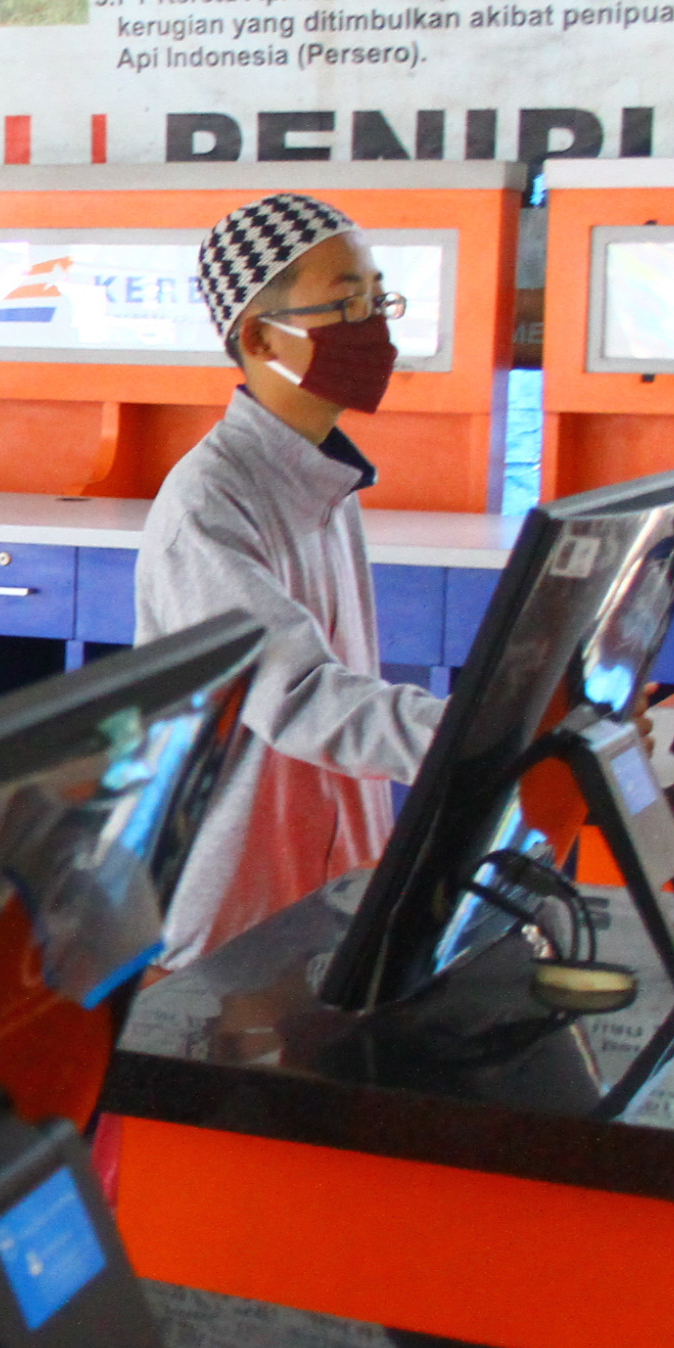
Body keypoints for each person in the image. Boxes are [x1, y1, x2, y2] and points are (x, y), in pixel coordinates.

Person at [137, 193, 447, 968]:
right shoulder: (208, 505)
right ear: (257, 335)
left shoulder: (319, 479)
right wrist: (474, 737)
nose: (374, 326)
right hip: (235, 923)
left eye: (378, 299)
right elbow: (300, 694)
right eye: (346, 304)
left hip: (331, 893)